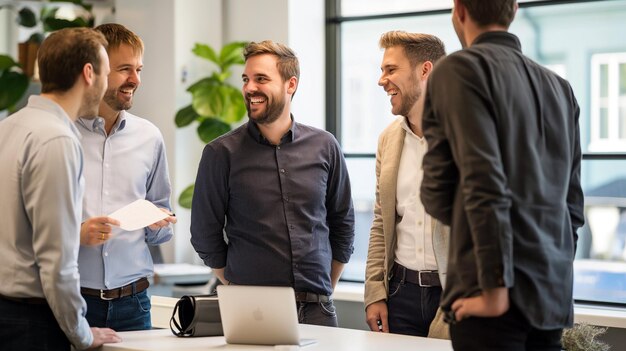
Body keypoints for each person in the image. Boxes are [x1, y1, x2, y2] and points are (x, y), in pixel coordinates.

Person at [420, 0, 585, 350]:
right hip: (550, 299)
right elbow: (571, 206)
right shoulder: (560, 88)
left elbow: (468, 185)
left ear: (460, 10)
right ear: (512, 9)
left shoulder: (459, 69)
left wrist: (494, 288)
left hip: (492, 299)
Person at [191, 40, 355, 327]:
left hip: (318, 310)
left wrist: (325, 285)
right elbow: (205, 234)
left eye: (261, 79)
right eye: (246, 79)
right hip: (254, 311)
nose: (250, 88)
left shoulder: (325, 146)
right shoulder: (221, 154)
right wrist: (236, 281)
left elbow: (343, 223)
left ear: (290, 84)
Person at [0, 27, 121, 350]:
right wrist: (82, 334)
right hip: (31, 324)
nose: (108, 83)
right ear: (88, 74)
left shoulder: (8, 128)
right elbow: (57, 260)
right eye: (107, 74)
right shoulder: (57, 140)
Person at [76, 23, 176, 331]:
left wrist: (158, 222)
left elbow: (162, 224)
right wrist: (77, 235)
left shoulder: (150, 137)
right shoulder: (60, 136)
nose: (135, 80)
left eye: (139, 69)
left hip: (134, 304)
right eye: (124, 69)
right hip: (74, 302)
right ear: (94, 70)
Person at [364, 31, 448, 338]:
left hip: (451, 295)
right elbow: (380, 221)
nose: (381, 80)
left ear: (425, 70)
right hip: (400, 294)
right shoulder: (388, 139)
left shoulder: (466, 135)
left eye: (390, 70)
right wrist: (375, 292)